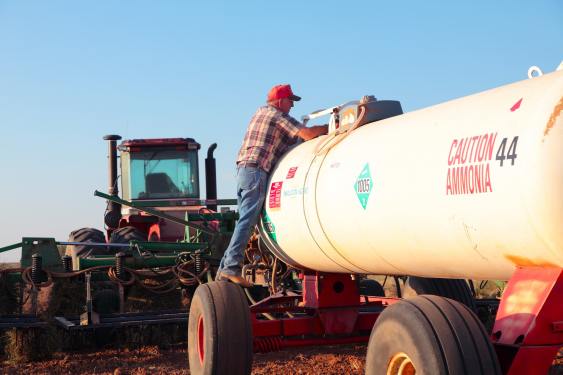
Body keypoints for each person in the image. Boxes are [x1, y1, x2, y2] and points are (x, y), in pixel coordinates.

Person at [216, 84, 328, 287]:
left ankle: (222, 273)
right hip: (255, 170)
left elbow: (289, 143)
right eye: (290, 101)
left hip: (245, 171)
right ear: (279, 101)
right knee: (247, 221)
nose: (292, 106)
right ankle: (230, 268)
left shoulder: (262, 114)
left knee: (244, 220)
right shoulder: (275, 115)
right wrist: (329, 129)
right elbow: (307, 134)